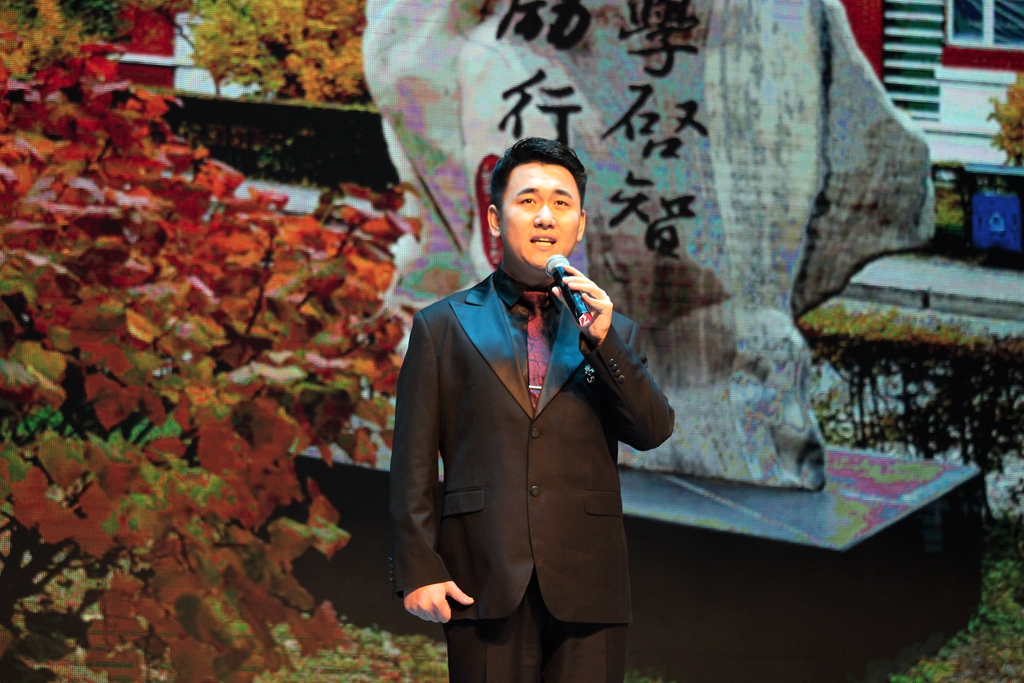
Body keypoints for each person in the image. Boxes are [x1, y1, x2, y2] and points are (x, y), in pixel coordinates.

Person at [389, 137, 674, 682]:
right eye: (528, 201)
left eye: (561, 203)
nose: (546, 217)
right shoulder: (441, 327)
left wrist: (605, 343)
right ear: (495, 219)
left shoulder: (612, 332)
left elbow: (652, 429)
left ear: (580, 224)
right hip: (482, 578)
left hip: (590, 585)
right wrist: (418, 567)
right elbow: (413, 464)